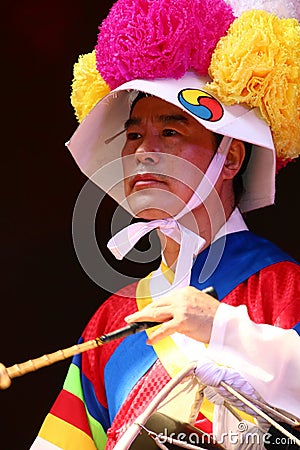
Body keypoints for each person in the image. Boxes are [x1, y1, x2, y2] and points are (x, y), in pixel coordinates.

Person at [25, 0, 300, 448]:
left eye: (170, 132)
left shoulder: (284, 288)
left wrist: (223, 329)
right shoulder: (109, 321)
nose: (143, 152)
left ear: (229, 157)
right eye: (134, 134)